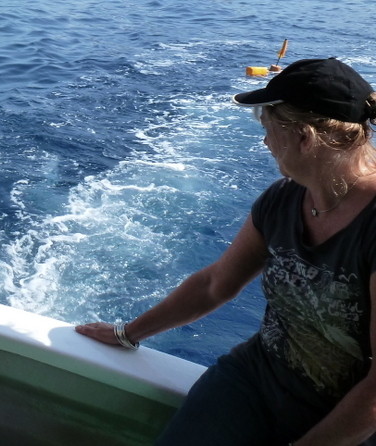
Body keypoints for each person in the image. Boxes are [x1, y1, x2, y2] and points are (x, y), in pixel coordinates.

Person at [76, 57, 376, 446]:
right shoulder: (282, 201)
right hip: (257, 380)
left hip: (348, 418)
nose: (266, 142)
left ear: (304, 138)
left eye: (269, 129)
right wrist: (129, 333)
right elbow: (215, 283)